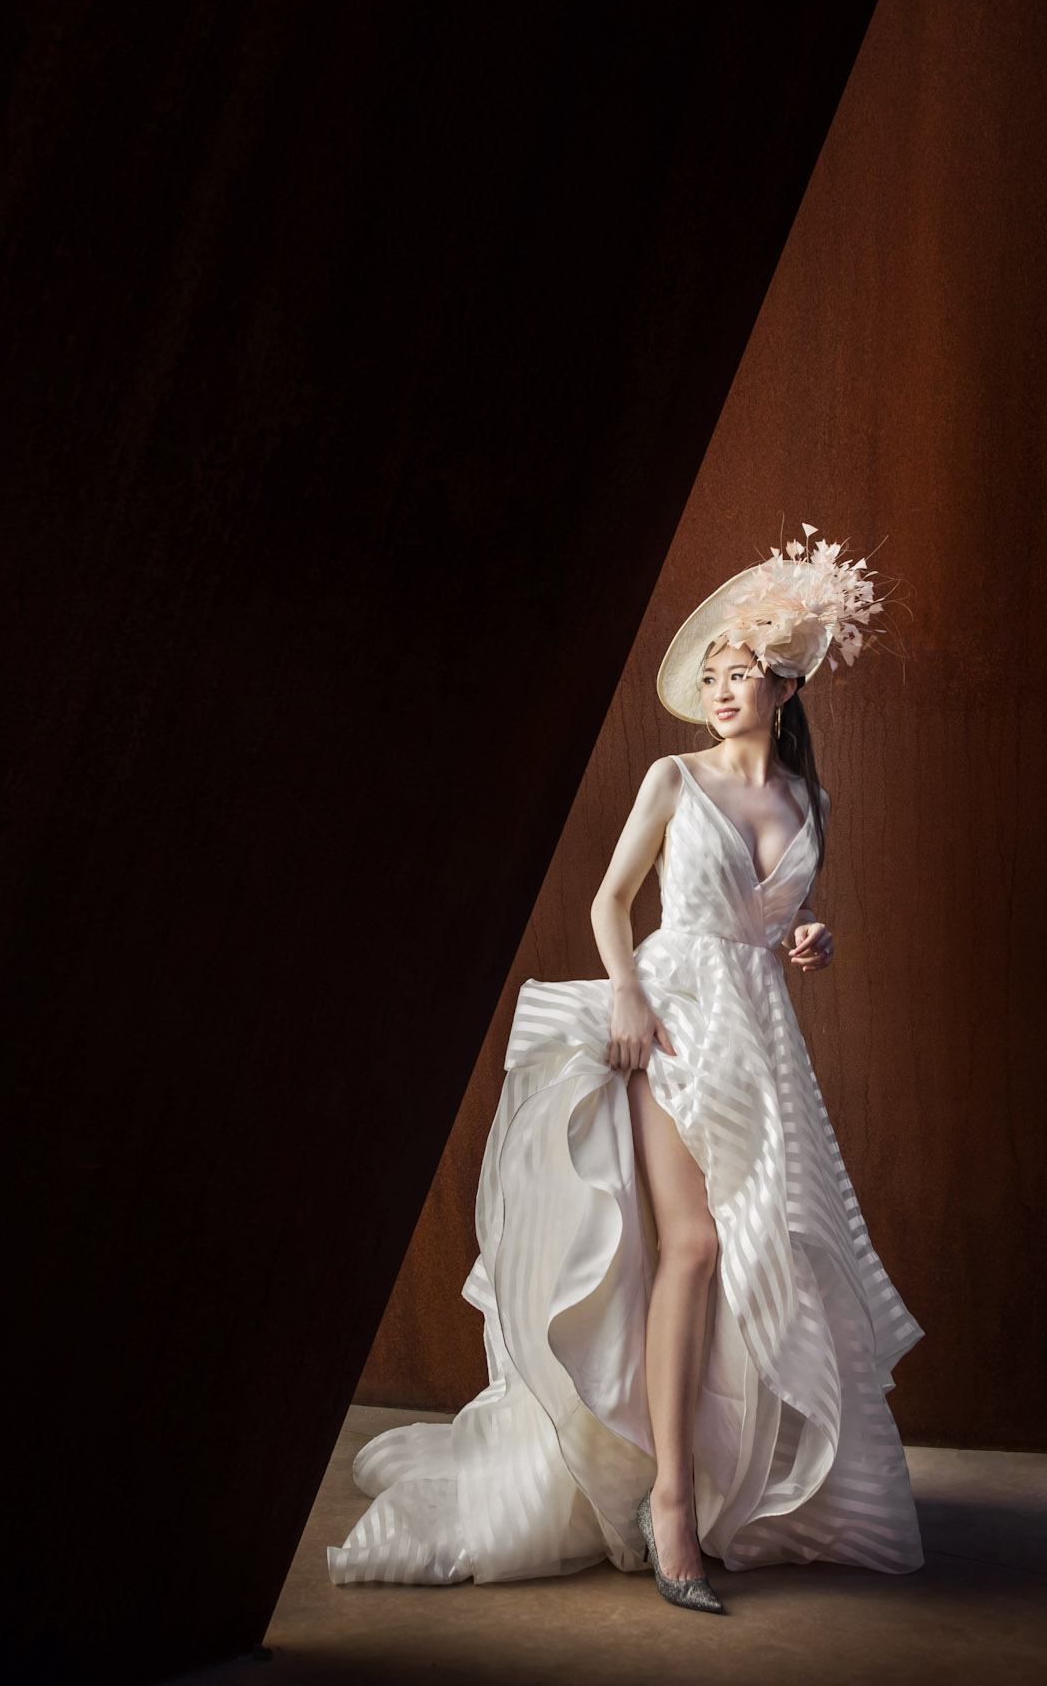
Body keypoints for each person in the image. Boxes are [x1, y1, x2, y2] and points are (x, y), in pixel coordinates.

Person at [328, 526, 924, 1611]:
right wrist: (632, 997)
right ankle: (672, 1510)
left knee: (762, 1258)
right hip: (667, 1016)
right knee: (690, 1246)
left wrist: (806, 942)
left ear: (788, 687)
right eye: (714, 672)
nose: (724, 686)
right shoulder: (671, 775)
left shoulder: (812, 804)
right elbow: (612, 900)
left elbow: (771, 926)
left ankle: (749, 1490)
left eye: (744, 672)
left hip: (757, 1040)